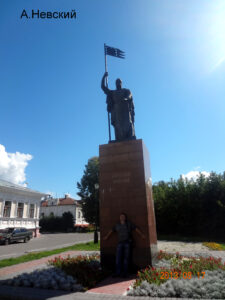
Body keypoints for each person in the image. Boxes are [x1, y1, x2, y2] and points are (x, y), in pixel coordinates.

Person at [103, 212, 145, 277]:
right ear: (119, 218)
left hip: (127, 243)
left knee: (126, 258)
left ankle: (125, 273)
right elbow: (111, 231)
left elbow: (136, 229)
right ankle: (118, 272)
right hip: (120, 243)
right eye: (121, 216)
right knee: (118, 258)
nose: (122, 217)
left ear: (125, 218)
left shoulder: (128, 224)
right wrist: (106, 236)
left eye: (123, 216)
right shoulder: (117, 225)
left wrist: (141, 235)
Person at [101, 72, 136, 141]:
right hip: (117, 112)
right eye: (117, 82)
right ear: (115, 83)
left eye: (119, 82)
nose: (118, 83)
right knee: (118, 126)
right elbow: (103, 87)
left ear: (121, 83)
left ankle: (130, 137)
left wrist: (126, 98)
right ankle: (119, 139)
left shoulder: (126, 90)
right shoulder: (112, 93)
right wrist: (104, 77)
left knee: (128, 124)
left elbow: (130, 95)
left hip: (125, 110)